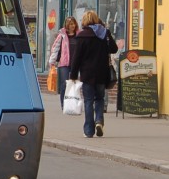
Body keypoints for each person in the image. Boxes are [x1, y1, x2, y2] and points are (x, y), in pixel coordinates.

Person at [69, 10, 118, 138]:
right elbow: (114, 49)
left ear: (84, 21)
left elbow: (76, 58)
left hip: (87, 74)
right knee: (100, 99)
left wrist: (73, 75)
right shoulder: (104, 34)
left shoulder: (82, 36)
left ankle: (89, 130)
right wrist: (107, 32)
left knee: (89, 101)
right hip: (102, 73)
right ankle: (99, 121)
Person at [48, 16, 79, 109]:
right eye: (70, 24)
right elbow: (55, 48)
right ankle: (64, 104)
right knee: (64, 84)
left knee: (74, 84)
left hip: (75, 63)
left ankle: (73, 103)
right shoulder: (62, 35)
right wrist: (52, 62)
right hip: (64, 63)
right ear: (67, 25)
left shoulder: (79, 35)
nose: (72, 26)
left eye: (73, 24)